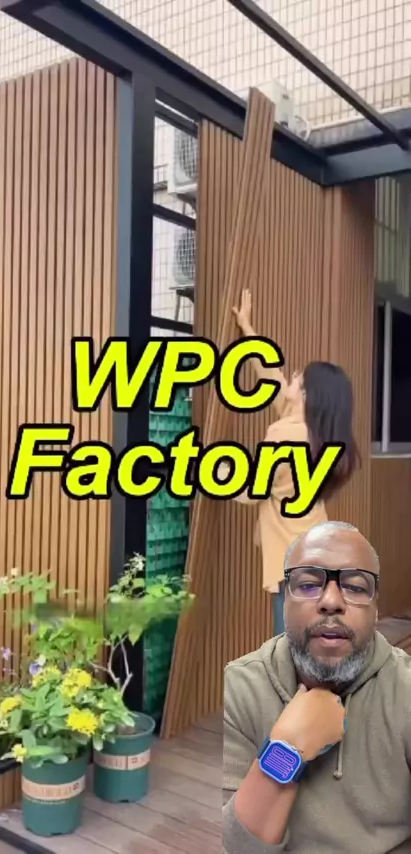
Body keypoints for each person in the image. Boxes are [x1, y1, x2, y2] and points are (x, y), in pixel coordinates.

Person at [223, 521, 411, 854]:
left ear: (375, 608)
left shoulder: (405, 688)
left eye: (355, 587)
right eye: (309, 585)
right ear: (284, 600)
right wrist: (287, 748)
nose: (331, 601)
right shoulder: (239, 687)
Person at [226, 289, 359, 635]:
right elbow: (274, 380)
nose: (292, 376)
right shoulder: (313, 432)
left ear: (306, 395)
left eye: (299, 377)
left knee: (292, 649)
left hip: (294, 561)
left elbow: (251, 490)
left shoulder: (285, 433)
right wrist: (247, 330)